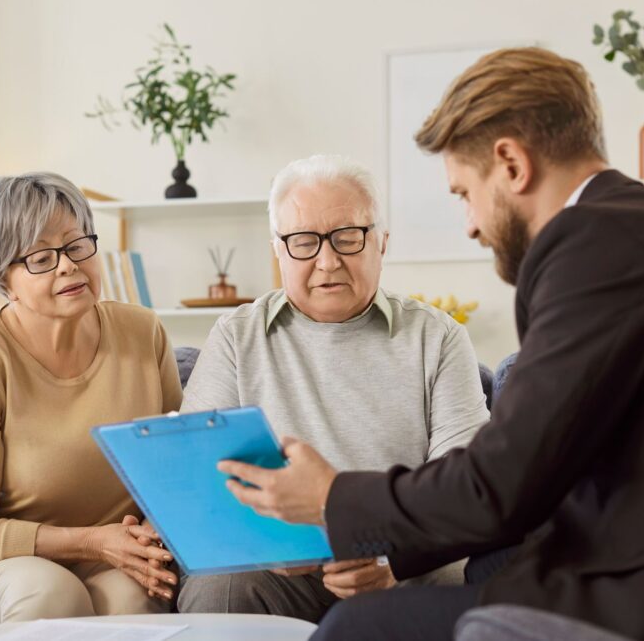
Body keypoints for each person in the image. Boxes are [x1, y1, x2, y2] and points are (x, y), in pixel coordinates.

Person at [216, 48, 644, 641]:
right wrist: (394, 554)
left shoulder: (597, 244)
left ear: (510, 163)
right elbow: (539, 471)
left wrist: (332, 497)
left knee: (360, 630)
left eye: (463, 192)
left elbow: (502, 482)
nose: (471, 224)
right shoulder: (643, 225)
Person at [176, 155, 491, 622]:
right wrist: (269, 543)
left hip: (405, 566)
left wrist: (393, 559)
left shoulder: (438, 338)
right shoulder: (235, 336)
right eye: (304, 242)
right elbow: (197, 475)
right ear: (278, 251)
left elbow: (462, 483)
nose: (327, 261)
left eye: (348, 237)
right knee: (220, 584)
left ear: (381, 243)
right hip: (276, 570)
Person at [0, 172, 182, 629]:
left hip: (108, 556)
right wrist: (93, 542)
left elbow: (175, 467)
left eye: (77, 245)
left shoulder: (143, 332)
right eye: (41, 257)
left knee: (136, 599)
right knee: (50, 593)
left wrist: (154, 529)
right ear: (3, 278)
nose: (67, 266)